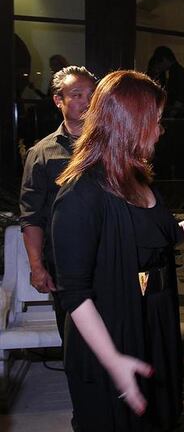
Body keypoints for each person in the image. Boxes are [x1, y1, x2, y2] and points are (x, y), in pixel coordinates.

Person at [50, 70, 184, 432]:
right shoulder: (79, 195)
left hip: (142, 325)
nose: (161, 130)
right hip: (104, 339)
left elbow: (152, 236)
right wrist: (115, 361)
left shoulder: (137, 177)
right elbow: (74, 294)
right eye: (156, 120)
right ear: (128, 122)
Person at [19, 65, 97, 343]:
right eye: (76, 94)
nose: (86, 102)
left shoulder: (112, 145)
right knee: (75, 338)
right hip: (64, 262)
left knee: (117, 332)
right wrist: (37, 267)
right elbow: (31, 216)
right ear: (58, 100)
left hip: (109, 257)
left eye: (91, 94)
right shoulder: (41, 153)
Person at [146, 45, 184, 113]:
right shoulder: (173, 71)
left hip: (177, 112)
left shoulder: (176, 72)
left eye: (159, 63)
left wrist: (172, 112)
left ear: (164, 60)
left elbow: (180, 96)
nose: (160, 67)